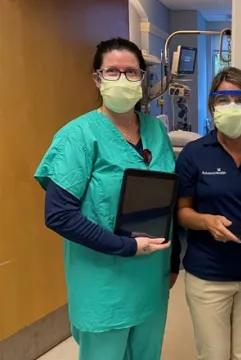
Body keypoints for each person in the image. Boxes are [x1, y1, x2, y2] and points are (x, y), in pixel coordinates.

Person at [34, 37, 180, 360]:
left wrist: (172, 262)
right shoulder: (78, 136)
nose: (122, 79)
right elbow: (58, 214)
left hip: (151, 281)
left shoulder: (156, 132)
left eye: (131, 72)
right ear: (97, 79)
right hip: (104, 285)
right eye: (112, 72)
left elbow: (170, 197)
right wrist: (126, 246)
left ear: (142, 79)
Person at [175, 67, 241, 360]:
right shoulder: (194, 154)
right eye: (223, 99)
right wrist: (205, 221)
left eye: (240, 99)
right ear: (211, 105)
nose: (231, 106)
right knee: (214, 355)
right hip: (209, 273)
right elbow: (182, 212)